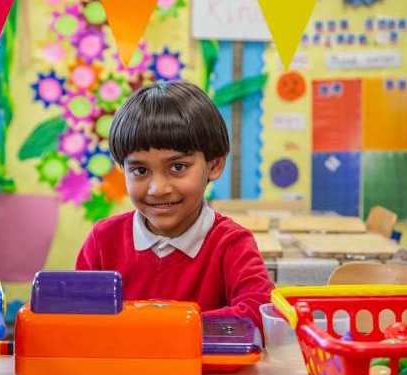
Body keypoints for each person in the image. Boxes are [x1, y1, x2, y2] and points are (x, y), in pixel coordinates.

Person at [76, 80, 273, 329]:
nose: (158, 189)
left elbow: (258, 316)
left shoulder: (231, 244)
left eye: (177, 167)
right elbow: (79, 319)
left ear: (214, 166)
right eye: (139, 170)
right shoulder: (103, 240)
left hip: (204, 370)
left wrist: (155, 328)